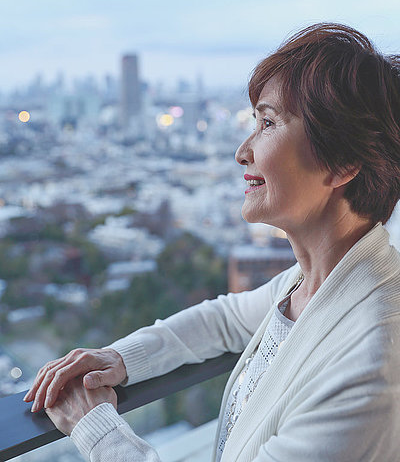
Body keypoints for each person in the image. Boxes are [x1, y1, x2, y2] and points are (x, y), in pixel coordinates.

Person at [24, 23, 400, 462]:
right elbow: (226, 320)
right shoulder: (314, 283)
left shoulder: (370, 365)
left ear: (342, 165)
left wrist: (97, 428)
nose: (243, 151)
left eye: (268, 122)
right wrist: (118, 358)